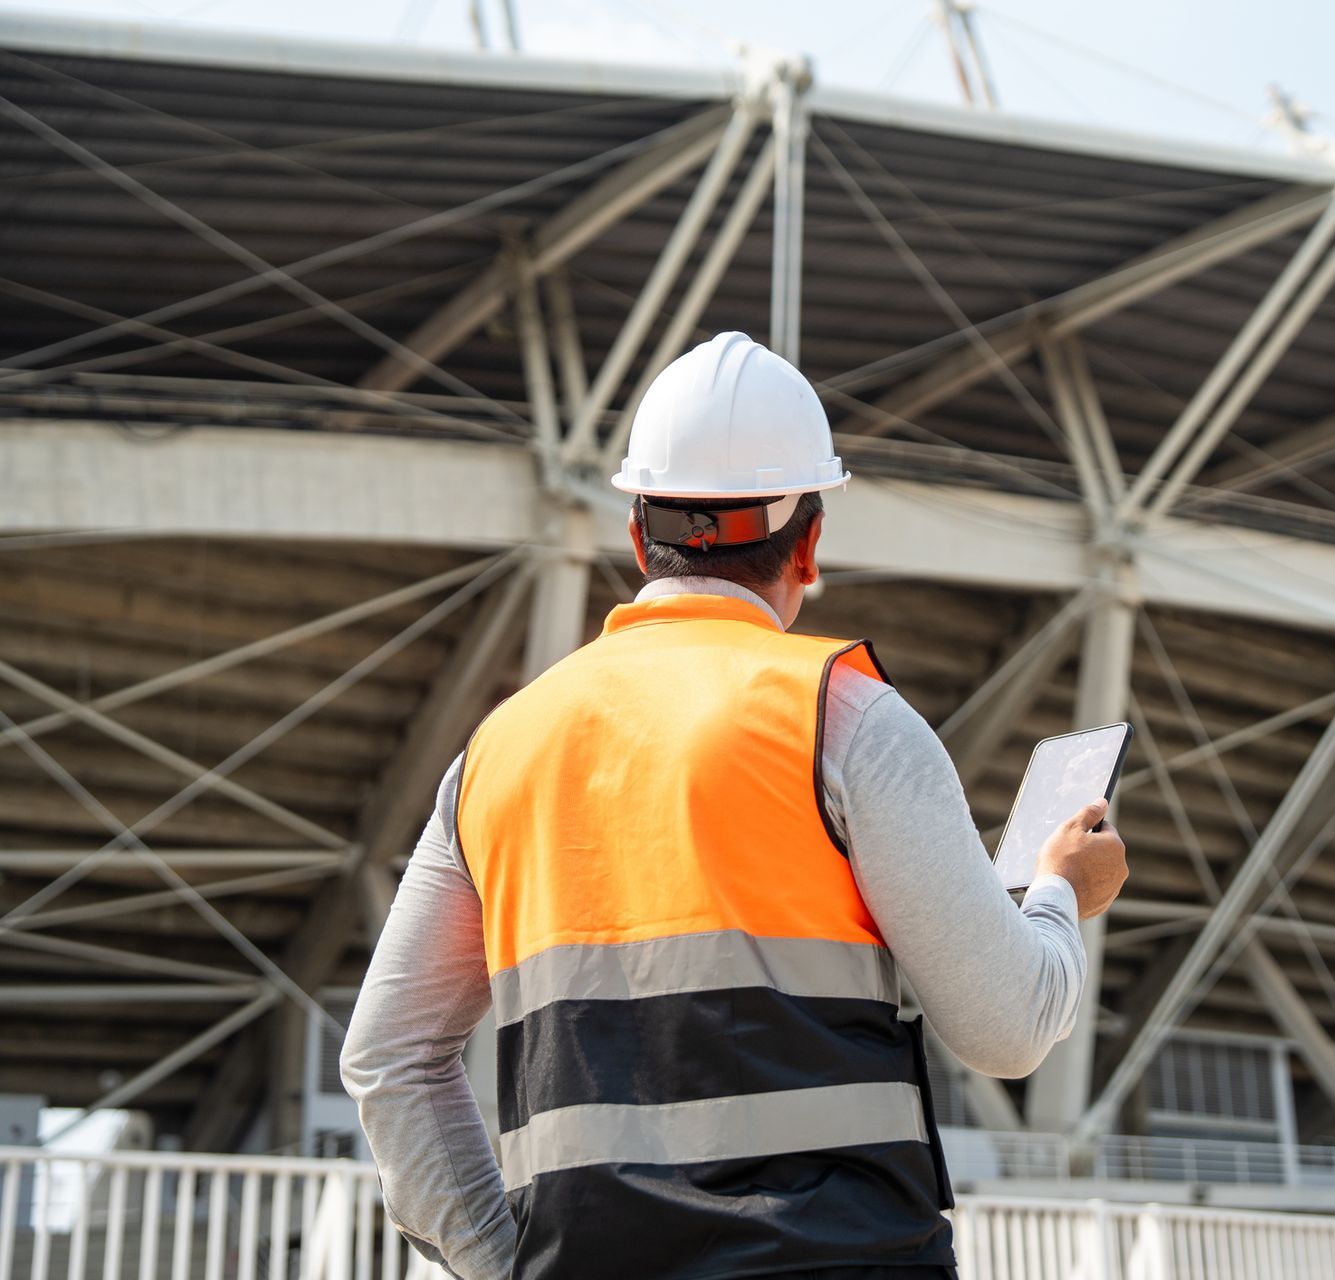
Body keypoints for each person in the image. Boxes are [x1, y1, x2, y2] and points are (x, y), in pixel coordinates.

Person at [340, 331, 1130, 1280]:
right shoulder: (845, 716)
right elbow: (1010, 1027)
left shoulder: (495, 753)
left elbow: (390, 1059)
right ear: (810, 546)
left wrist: (507, 1265)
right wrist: (1058, 894)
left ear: (638, 534)